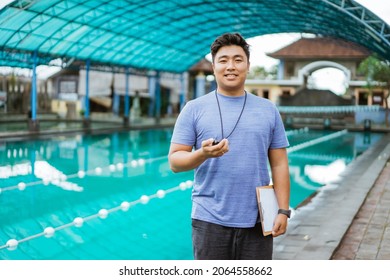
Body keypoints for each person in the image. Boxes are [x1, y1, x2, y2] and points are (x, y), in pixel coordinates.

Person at [168, 33, 290, 260]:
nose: (230, 66)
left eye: (238, 59)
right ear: (214, 66)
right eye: (223, 60)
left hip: (258, 219)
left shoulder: (268, 110)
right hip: (209, 220)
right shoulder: (194, 109)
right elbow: (175, 162)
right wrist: (202, 154)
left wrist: (283, 210)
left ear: (248, 65)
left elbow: (280, 164)